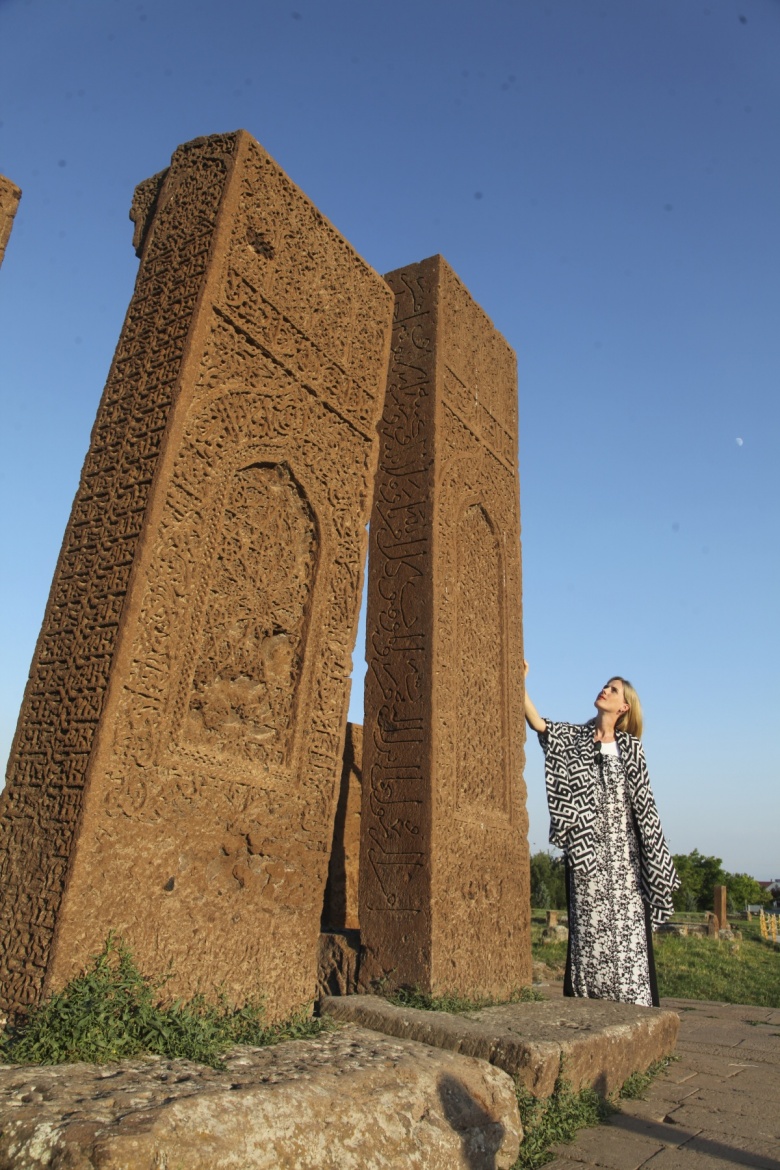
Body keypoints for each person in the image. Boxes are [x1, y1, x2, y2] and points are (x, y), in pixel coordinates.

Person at [524, 663, 678, 1007]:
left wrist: (654, 858)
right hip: (587, 850)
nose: (605, 691)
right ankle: (589, 995)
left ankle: (631, 998)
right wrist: (519, 682)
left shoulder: (631, 748)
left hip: (624, 854)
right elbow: (539, 724)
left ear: (624, 707)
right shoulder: (576, 737)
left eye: (613, 690)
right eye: (605, 686)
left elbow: (644, 805)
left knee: (626, 925)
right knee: (589, 922)